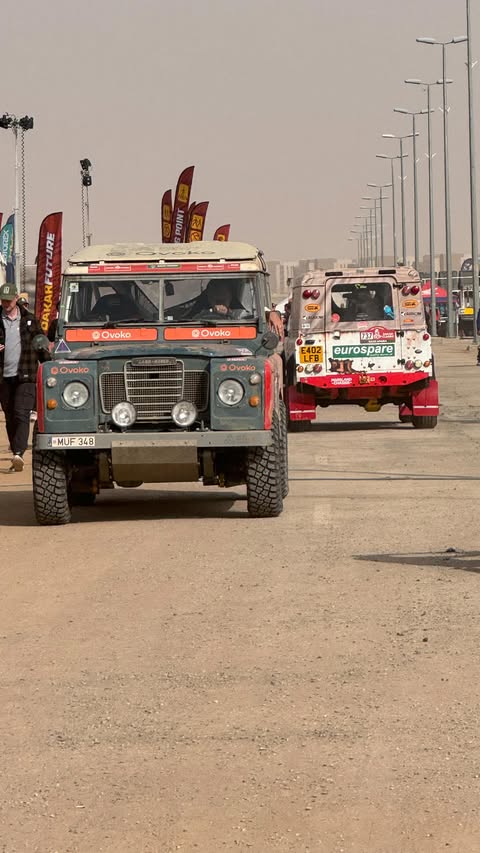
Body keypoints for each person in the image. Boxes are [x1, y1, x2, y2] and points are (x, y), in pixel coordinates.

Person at [0, 283, 46, 472]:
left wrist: (48, 363)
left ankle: (19, 453)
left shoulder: (29, 320)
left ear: (16, 299)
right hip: (3, 378)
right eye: (3, 300)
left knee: (21, 413)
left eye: (8, 300)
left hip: (26, 375)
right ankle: (15, 449)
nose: (5, 304)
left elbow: (40, 342)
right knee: (10, 417)